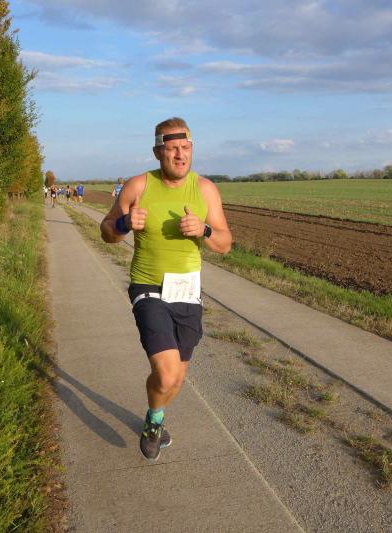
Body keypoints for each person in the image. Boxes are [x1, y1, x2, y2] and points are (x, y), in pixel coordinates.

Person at [100, 117, 232, 460]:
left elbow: (225, 243)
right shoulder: (138, 186)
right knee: (166, 372)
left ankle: (154, 417)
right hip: (148, 287)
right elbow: (106, 231)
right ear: (157, 151)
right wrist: (124, 224)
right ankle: (154, 423)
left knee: (175, 379)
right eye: (172, 148)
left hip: (187, 291)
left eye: (185, 148)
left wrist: (203, 230)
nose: (180, 155)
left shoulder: (205, 190)